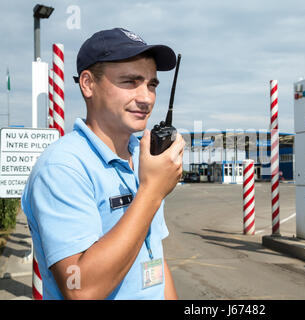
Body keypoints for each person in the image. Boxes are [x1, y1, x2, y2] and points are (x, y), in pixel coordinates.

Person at [21, 27, 185, 300]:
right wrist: (152, 192)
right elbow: (80, 289)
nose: (146, 98)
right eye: (130, 82)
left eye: (151, 84)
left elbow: (153, 256)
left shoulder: (144, 155)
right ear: (87, 84)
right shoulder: (62, 168)